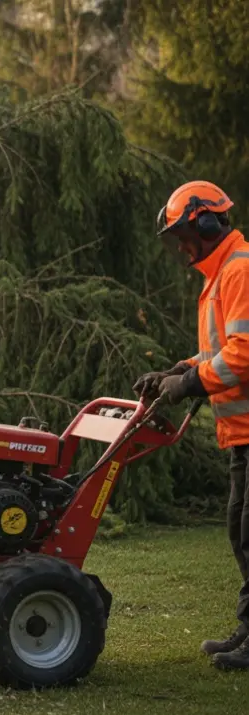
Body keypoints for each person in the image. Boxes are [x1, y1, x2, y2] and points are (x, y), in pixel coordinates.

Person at [134, 180, 249, 671]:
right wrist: (179, 370)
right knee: (239, 533)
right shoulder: (220, 274)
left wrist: (188, 384)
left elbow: (243, 354)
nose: (180, 247)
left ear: (206, 223)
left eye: (183, 236)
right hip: (242, 435)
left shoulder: (240, 270)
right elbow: (217, 353)